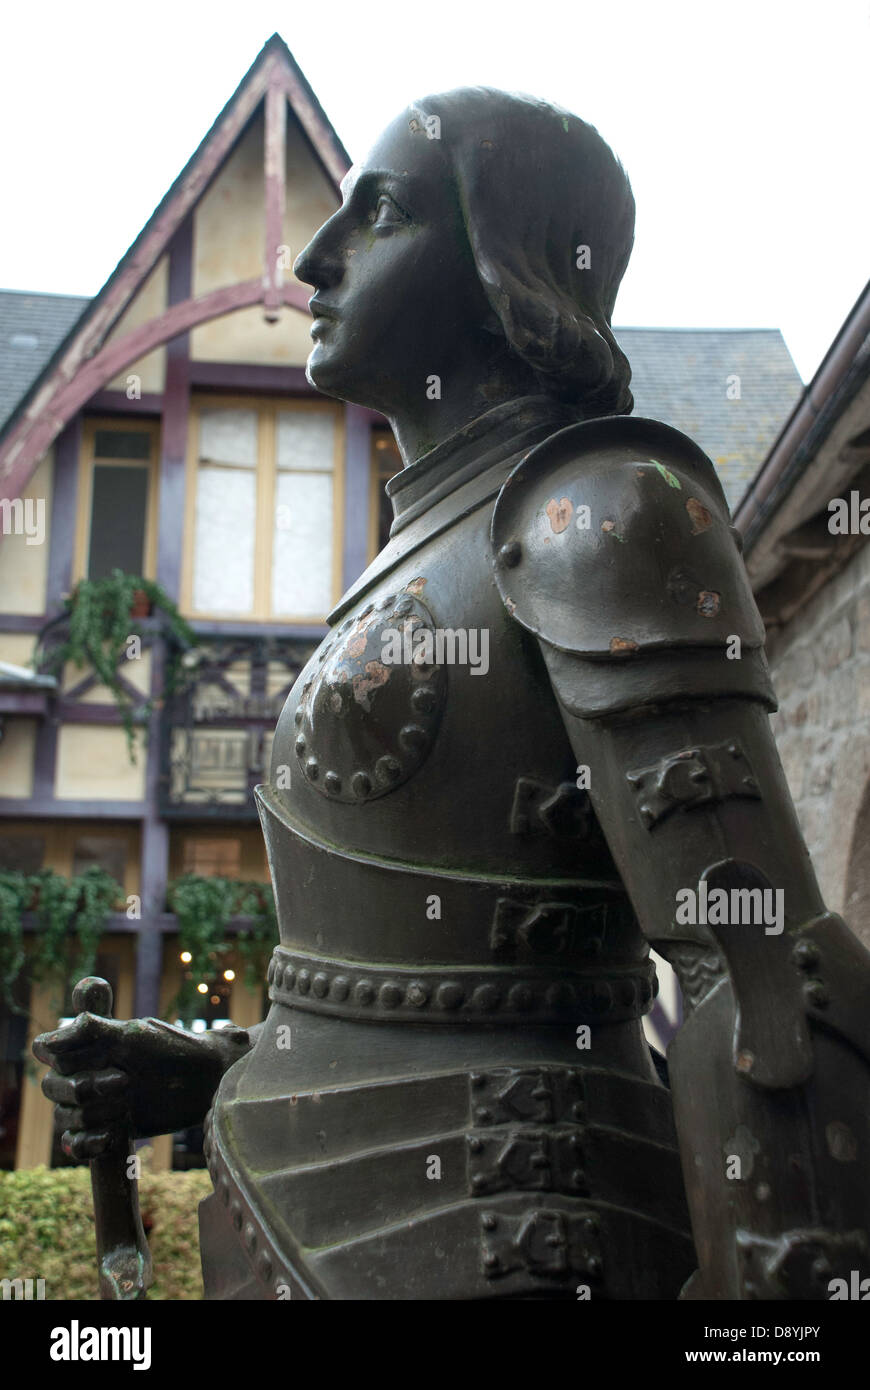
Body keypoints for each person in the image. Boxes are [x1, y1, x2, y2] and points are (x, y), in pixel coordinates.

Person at [35, 88, 870, 1301]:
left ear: (505, 264)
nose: (317, 255)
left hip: (526, 1235)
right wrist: (211, 1069)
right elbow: (457, 1006)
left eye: (378, 212)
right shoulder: (428, 547)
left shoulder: (602, 510)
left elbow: (767, 984)